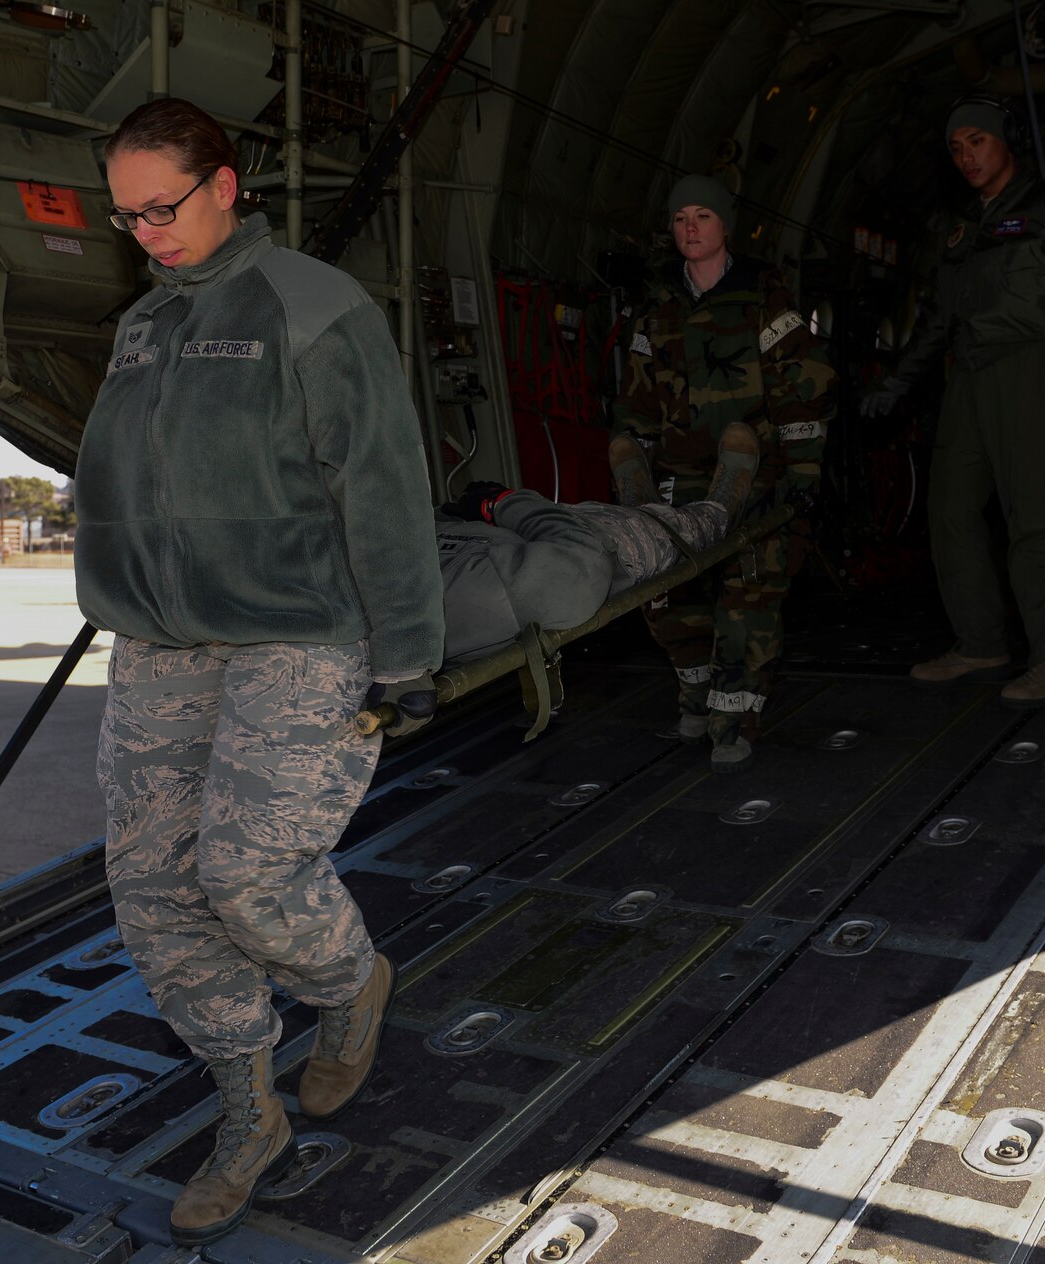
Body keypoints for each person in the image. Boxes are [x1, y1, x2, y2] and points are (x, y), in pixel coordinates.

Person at [71, 98, 444, 1246]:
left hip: (296, 628)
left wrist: (407, 653)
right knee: (152, 883)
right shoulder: (143, 325)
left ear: (225, 185)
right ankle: (247, 1108)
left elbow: (381, 483)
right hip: (161, 639)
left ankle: (347, 983)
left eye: (162, 208)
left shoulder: (311, 306)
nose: (146, 233)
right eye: (126, 216)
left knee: (244, 871)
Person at [864, 96, 1045, 706]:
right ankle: (980, 642)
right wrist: (899, 379)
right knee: (949, 509)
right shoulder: (961, 227)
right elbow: (938, 316)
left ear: (1007, 142)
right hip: (967, 375)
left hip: (1028, 366)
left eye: (977, 141)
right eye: (956, 147)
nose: (966, 156)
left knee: (1036, 513)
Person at [613, 174, 836, 774]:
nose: (691, 228)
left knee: (746, 599)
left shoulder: (762, 294)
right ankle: (694, 695)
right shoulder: (659, 302)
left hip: (753, 469)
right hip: (678, 472)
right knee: (665, 593)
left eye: (703, 216)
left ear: (725, 225)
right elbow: (637, 392)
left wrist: (802, 473)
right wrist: (632, 449)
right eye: (681, 218)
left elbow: (802, 383)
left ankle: (733, 720)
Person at [436, 423, 760, 661]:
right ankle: (722, 511)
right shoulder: (476, 599)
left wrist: (453, 517)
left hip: (523, 541)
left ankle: (640, 507)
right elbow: (576, 567)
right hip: (598, 551)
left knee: (572, 519)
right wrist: (501, 502)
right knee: (680, 530)